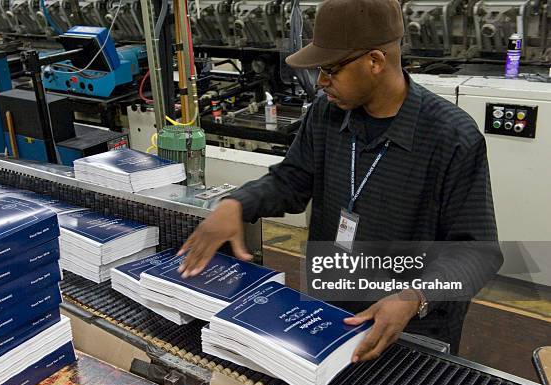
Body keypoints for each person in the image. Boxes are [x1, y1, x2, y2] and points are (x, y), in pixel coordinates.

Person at [178, 0, 503, 361]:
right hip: (329, 310)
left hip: (405, 332)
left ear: (375, 62)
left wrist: (413, 297)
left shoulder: (451, 137)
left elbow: (478, 252)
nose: (321, 82)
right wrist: (238, 204)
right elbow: (292, 179)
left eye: (331, 70)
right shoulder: (327, 113)